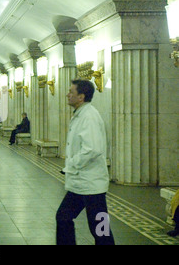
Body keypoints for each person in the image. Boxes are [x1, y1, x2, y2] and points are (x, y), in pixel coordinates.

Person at [56, 79, 115, 245]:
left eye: (71, 92)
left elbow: (93, 149)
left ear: (81, 97)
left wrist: (73, 164)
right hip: (80, 183)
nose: (67, 95)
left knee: (100, 229)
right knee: (64, 217)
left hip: (91, 184)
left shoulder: (89, 117)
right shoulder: (81, 114)